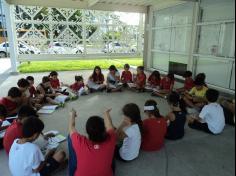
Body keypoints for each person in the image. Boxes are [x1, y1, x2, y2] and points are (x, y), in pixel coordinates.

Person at [68, 108, 116, 176]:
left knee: (70, 137)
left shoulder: (80, 142)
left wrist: (72, 114)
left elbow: (71, 127)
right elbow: (110, 125)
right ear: (104, 130)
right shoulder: (111, 138)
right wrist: (106, 113)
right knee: (111, 152)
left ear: (87, 132)